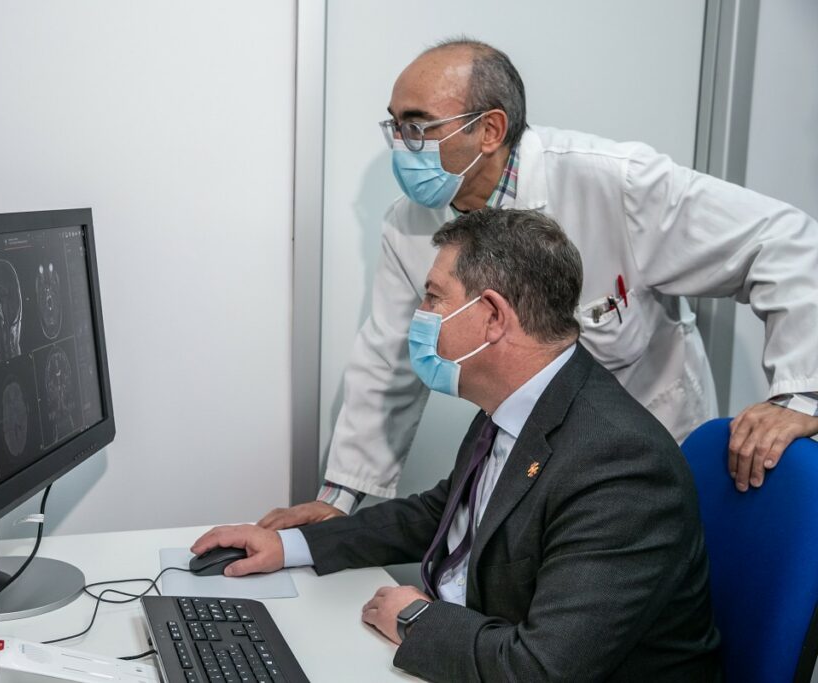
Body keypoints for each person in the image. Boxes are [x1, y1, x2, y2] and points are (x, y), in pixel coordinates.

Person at [260, 37, 818, 530]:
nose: (402, 145)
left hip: (649, 459)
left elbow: (788, 241)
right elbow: (387, 363)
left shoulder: (614, 183)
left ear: (490, 130)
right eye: (396, 126)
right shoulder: (408, 226)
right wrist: (340, 500)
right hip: (528, 459)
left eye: (418, 127)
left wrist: (799, 394)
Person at [197, 209, 721, 682]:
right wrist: (293, 546)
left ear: (492, 316)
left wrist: (415, 618)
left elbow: (541, 669)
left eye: (433, 297)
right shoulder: (518, 405)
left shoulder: (621, 466)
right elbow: (444, 514)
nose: (419, 314)